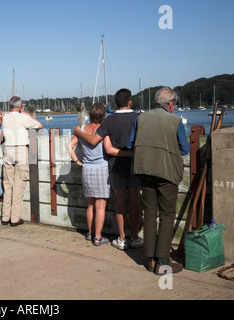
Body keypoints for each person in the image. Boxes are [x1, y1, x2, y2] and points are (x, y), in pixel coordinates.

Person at [127, 87, 190, 274]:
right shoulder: (175, 120)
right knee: (167, 215)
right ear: (170, 105)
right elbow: (185, 148)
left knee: (150, 213)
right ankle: (163, 261)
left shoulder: (141, 118)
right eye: (174, 105)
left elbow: (130, 144)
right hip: (166, 173)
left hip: (143, 170)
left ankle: (151, 260)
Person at [73, 89, 143, 250]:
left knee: (120, 203)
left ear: (116, 103)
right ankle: (135, 237)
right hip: (135, 166)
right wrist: (133, 154)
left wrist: (77, 132)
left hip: (115, 166)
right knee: (134, 203)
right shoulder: (139, 118)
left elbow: (97, 142)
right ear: (130, 102)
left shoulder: (110, 122)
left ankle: (122, 238)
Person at [67, 104, 114, 246]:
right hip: (102, 169)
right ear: (103, 115)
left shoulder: (81, 129)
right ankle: (98, 237)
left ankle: (90, 233)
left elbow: (69, 146)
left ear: (90, 115)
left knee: (91, 205)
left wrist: (76, 160)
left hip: (86, 169)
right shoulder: (103, 130)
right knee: (100, 206)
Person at [1, 96, 43, 227]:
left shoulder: (5, 117)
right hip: (20, 150)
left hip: (8, 150)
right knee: (19, 184)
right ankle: (14, 218)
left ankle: (5, 216)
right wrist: (25, 113)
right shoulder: (23, 117)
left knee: (7, 185)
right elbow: (40, 125)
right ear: (20, 106)